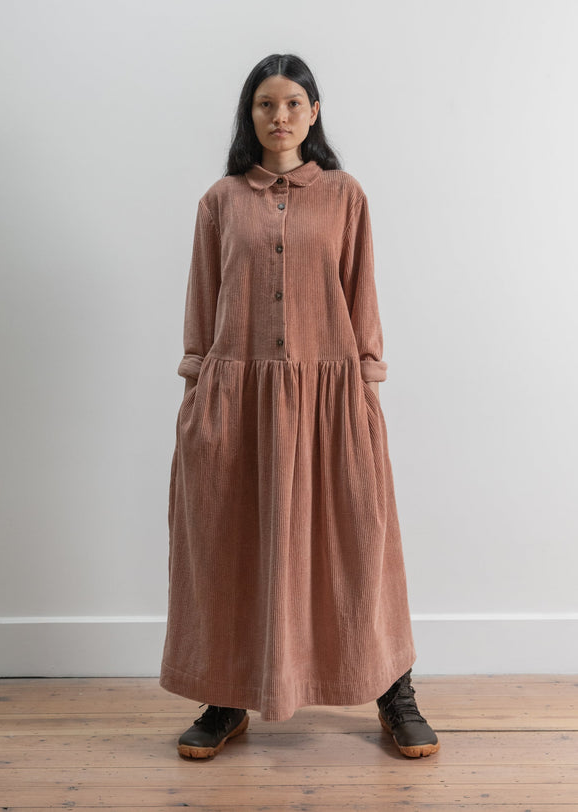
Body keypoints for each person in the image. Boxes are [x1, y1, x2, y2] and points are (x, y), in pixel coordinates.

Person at [159, 53, 440, 761]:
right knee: (230, 547)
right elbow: (201, 303)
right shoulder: (220, 201)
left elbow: (361, 293)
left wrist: (365, 386)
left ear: (313, 113)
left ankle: (394, 691)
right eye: (265, 104)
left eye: (291, 103)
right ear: (249, 115)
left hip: (331, 400)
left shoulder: (345, 196)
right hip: (236, 402)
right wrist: (196, 394)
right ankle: (226, 697)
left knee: (361, 546)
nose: (278, 116)